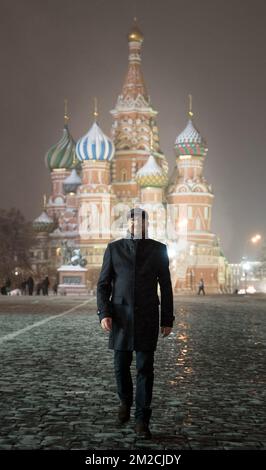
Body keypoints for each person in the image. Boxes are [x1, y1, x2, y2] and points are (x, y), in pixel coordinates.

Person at [97, 208, 175, 439]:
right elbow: (103, 285)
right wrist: (104, 313)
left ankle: (142, 419)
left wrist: (167, 319)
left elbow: (167, 287)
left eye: (140, 222)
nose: (136, 226)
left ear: (146, 225)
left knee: (145, 369)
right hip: (120, 318)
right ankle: (125, 403)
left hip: (147, 317)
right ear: (127, 225)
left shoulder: (158, 249)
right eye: (132, 222)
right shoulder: (114, 249)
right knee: (120, 366)